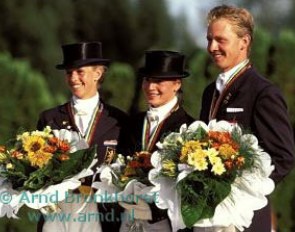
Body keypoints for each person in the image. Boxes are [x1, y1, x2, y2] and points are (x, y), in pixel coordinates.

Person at [199, 5, 295, 232]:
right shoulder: (209, 92)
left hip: (245, 220)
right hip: (208, 217)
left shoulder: (263, 93)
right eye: (209, 39)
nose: (212, 47)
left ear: (244, 42)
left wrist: (242, 192)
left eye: (220, 40)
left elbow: (283, 157)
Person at [36, 41, 133, 231]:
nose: (73, 78)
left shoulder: (119, 120)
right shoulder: (49, 118)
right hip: (57, 213)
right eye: (69, 72)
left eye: (80, 72)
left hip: (101, 213)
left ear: (98, 73)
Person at [119, 50, 194, 232]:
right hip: (130, 219)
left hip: (166, 223)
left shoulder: (189, 128)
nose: (151, 87)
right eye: (147, 80)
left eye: (158, 81)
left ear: (177, 84)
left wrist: (153, 211)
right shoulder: (132, 123)